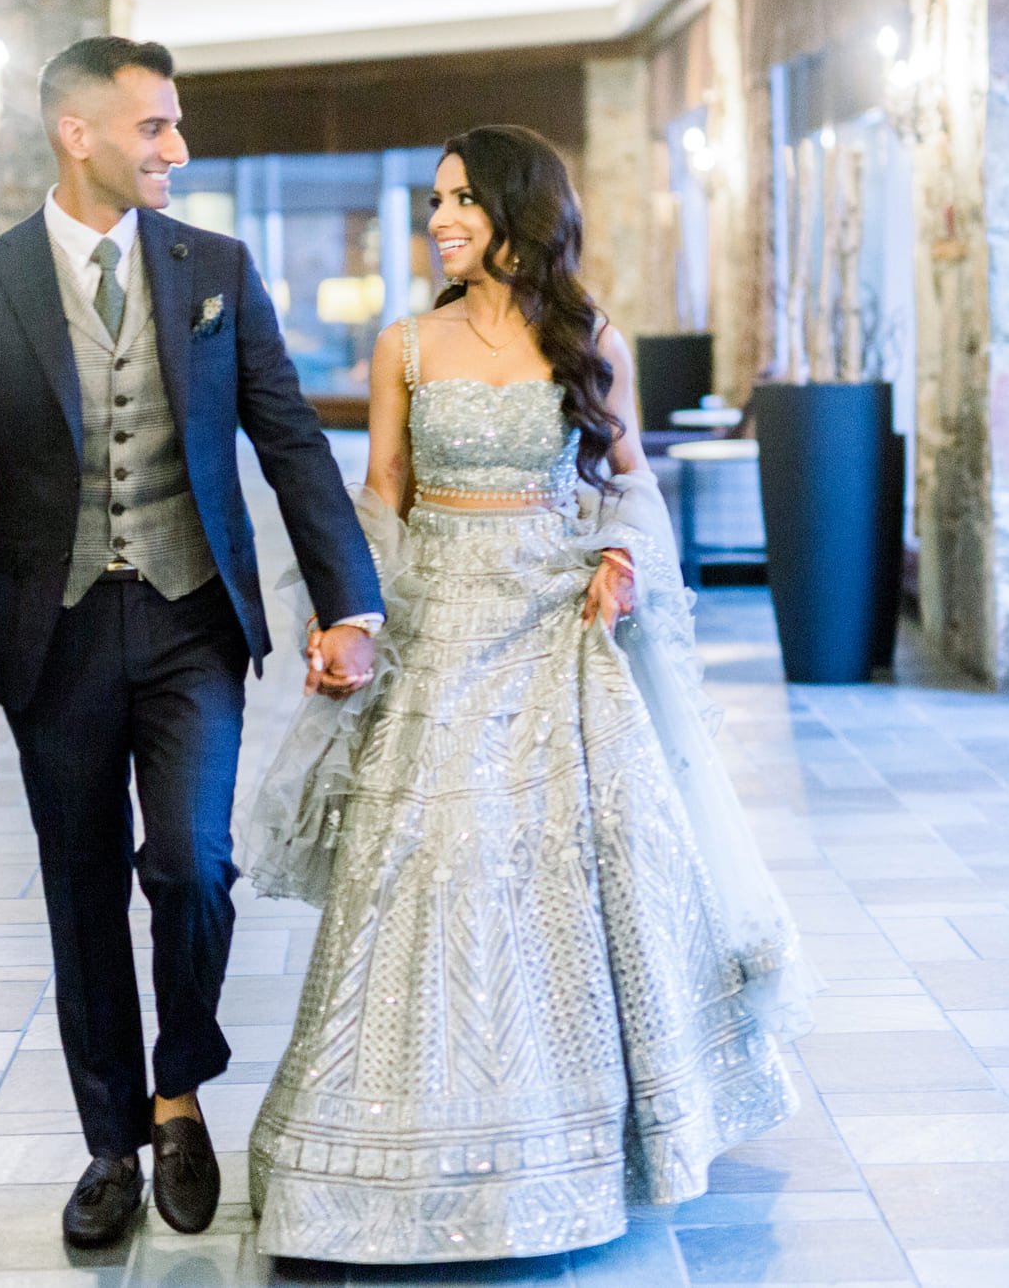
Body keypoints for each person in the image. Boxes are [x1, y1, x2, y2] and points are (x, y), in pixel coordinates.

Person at [239, 124, 817, 1264]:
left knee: (565, 871)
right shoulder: (405, 343)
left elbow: (626, 481)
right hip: (442, 630)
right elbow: (383, 499)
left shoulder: (587, 337)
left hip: (556, 631)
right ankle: (379, 1146)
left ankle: (582, 1138)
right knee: (424, 860)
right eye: (434, 203)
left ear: (518, 211)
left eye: (460, 199)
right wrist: (349, 619)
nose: (439, 220)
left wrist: (621, 560)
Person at [0, 36, 384, 1250]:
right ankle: (111, 1144)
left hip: (189, 622)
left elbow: (286, 440)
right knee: (78, 896)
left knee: (188, 863)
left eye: (175, 126)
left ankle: (180, 1086)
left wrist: (349, 601)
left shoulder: (213, 266)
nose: (177, 147)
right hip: (48, 637)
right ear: (81, 134)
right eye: (155, 126)